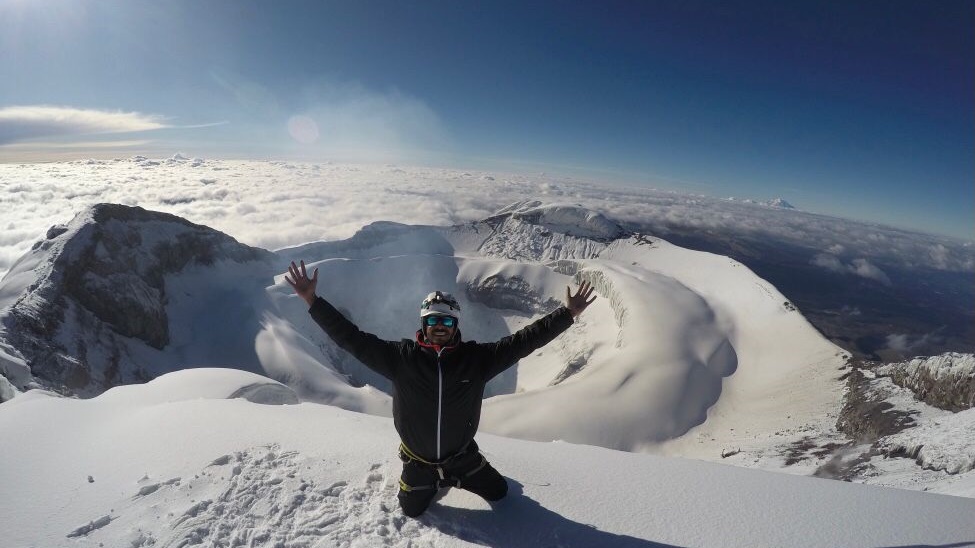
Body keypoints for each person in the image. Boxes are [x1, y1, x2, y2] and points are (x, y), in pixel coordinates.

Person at [285, 260, 596, 517]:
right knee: (410, 510)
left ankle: (456, 476)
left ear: (455, 325)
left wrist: (566, 314)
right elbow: (351, 339)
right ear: (423, 324)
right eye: (433, 320)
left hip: (462, 456)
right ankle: (438, 481)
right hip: (418, 462)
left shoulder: (476, 360)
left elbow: (523, 342)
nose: (439, 327)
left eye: (446, 322)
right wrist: (312, 301)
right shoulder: (400, 359)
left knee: (500, 492)